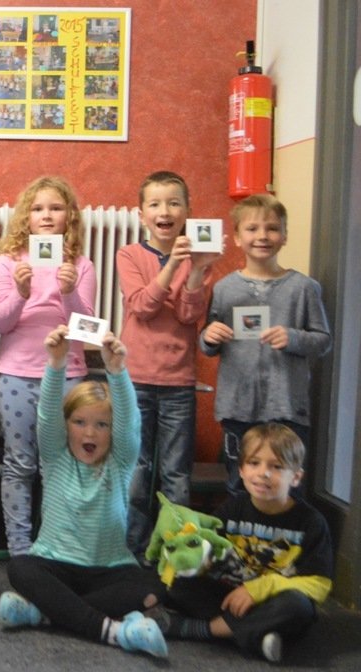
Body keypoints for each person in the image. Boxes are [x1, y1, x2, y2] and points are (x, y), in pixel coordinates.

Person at [0, 325, 168, 659]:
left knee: (154, 587)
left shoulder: (120, 461)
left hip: (109, 570)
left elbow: (130, 422)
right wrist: (56, 363)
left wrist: (117, 371)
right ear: (67, 426)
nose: (90, 432)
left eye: (101, 425)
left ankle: (45, 614)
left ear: (111, 431)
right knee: (19, 568)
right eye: (79, 423)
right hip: (55, 566)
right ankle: (112, 631)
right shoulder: (56, 455)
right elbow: (47, 415)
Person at [163, 424, 333, 663]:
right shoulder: (234, 507)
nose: (263, 473)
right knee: (178, 582)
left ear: (296, 477)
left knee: (298, 607)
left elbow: (319, 585)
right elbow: (210, 548)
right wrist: (192, 556)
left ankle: (199, 630)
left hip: (274, 600)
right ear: (241, 470)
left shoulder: (311, 522)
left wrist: (259, 589)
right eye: (254, 463)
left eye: (276, 467)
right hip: (230, 595)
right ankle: (258, 634)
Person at [0, 176, 96, 556]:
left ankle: (56, 545)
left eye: (55, 208)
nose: (47, 215)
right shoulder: (8, 262)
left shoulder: (81, 265)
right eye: (38, 209)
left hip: (66, 374)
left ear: (69, 216)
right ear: (26, 218)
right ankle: (20, 548)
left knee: (61, 466)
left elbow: (85, 329)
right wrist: (20, 294)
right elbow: (0, 323)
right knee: (19, 463)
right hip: (16, 374)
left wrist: (68, 292)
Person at [200, 194, 331, 495]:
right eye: (252, 228)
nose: (262, 236)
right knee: (239, 485)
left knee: (285, 489)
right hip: (238, 408)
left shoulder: (304, 289)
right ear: (236, 237)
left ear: (284, 236)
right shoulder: (224, 289)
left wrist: (294, 338)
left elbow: (323, 341)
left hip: (287, 408)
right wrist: (208, 336)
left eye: (272, 228)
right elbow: (209, 343)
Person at [116, 171, 218, 558]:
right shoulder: (129, 255)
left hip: (178, 381)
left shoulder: (200, 258)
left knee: (176, 475)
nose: (165, 210)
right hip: (135, 379)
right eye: (155, 204)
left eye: (174, 203)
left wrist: (194, 270)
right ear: (141, 214)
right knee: (136, 472)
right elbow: (142, 306)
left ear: (187, 212)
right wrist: (172, 266)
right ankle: (132, 552)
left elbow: (191, 315)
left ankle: (177, 553)